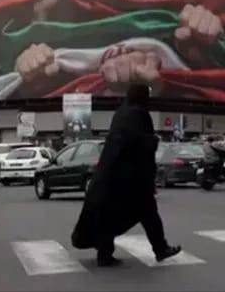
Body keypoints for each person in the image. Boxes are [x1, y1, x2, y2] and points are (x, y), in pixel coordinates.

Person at [72, 84, 181, 267]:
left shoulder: (122, 113)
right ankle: (159, 249)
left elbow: (121, 140)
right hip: (130, 177)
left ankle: (107, 254)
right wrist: (152, 141)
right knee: (146, 212)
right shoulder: (138, 114)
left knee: (112, 215)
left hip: (112, 174)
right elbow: (135, 142)